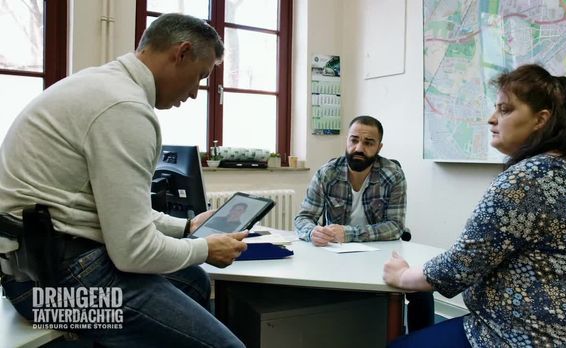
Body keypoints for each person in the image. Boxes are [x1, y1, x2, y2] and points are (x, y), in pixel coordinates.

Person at [0, 14, 248, 347]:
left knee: (193, 282)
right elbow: (134, 252)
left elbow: (113, 212)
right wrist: (204, 248)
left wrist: (186, 229)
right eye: (200, 77)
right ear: (182, 52)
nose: (194, 94)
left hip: (27, 277)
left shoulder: (102, 84)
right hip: (53, 298)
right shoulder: (124, 108)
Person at [383, 64, 566, 347]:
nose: (491, 119)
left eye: (505, 110)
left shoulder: (529, 177)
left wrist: (403, 274)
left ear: (540, 119)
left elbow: (460, 266)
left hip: (523, 336)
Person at [295, 115, 435, 332]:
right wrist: (313, 232)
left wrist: (349, 234)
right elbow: (303, 218)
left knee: (422, 290)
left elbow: (395, 226)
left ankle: (422, 340)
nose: (359, 148)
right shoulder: (327, 173)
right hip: (336, 254)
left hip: (381, 251)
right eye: (354, 140)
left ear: (379, 147)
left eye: (368, 143)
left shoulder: (393, 174)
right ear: (346, 141)